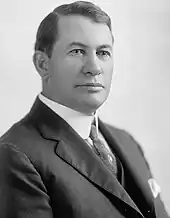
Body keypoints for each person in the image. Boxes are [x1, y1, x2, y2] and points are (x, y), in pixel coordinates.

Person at [0, 1, 169, 217]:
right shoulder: (15, 155)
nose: (94, 68)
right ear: (43, 64)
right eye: (78, 51)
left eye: (103, 53)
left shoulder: (127, 142)